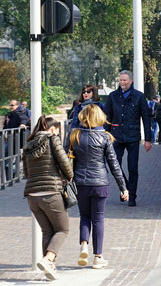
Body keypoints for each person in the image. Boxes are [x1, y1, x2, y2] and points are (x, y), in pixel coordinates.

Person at [70, 104, 129, 269]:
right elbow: (114, 165)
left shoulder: (74, 136)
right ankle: (98, 257)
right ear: (99, 118)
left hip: (80, 183)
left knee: (84, 216)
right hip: (100, 183)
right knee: (98, 219)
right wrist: (123, 187)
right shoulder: (105, 137)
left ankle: (83, 245)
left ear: (83, 117)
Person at [22, 116, 73, 281]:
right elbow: (64, 162)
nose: (57, 134)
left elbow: (26, 172)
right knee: (62, 229)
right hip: (51, 193)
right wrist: (70, 176)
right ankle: (48, 259)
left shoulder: (28, 144)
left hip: (32, 196)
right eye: (57, 131)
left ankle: (50, 268)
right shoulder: (52, 139)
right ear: (52, 129)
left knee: (47, 231)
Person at [104, 70, 151, 206]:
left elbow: (146, 118)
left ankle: (132, 197)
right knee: (114, 165)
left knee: (132, 168)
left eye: (125, 80)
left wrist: (148, 140)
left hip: (133, 137)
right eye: (121, 80)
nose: (122, 83)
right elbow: (107, 117)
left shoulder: (139, 96)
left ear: (131, 81)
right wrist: (105, 135)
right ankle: (124, 189)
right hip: (116, 136)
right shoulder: (113, 96)